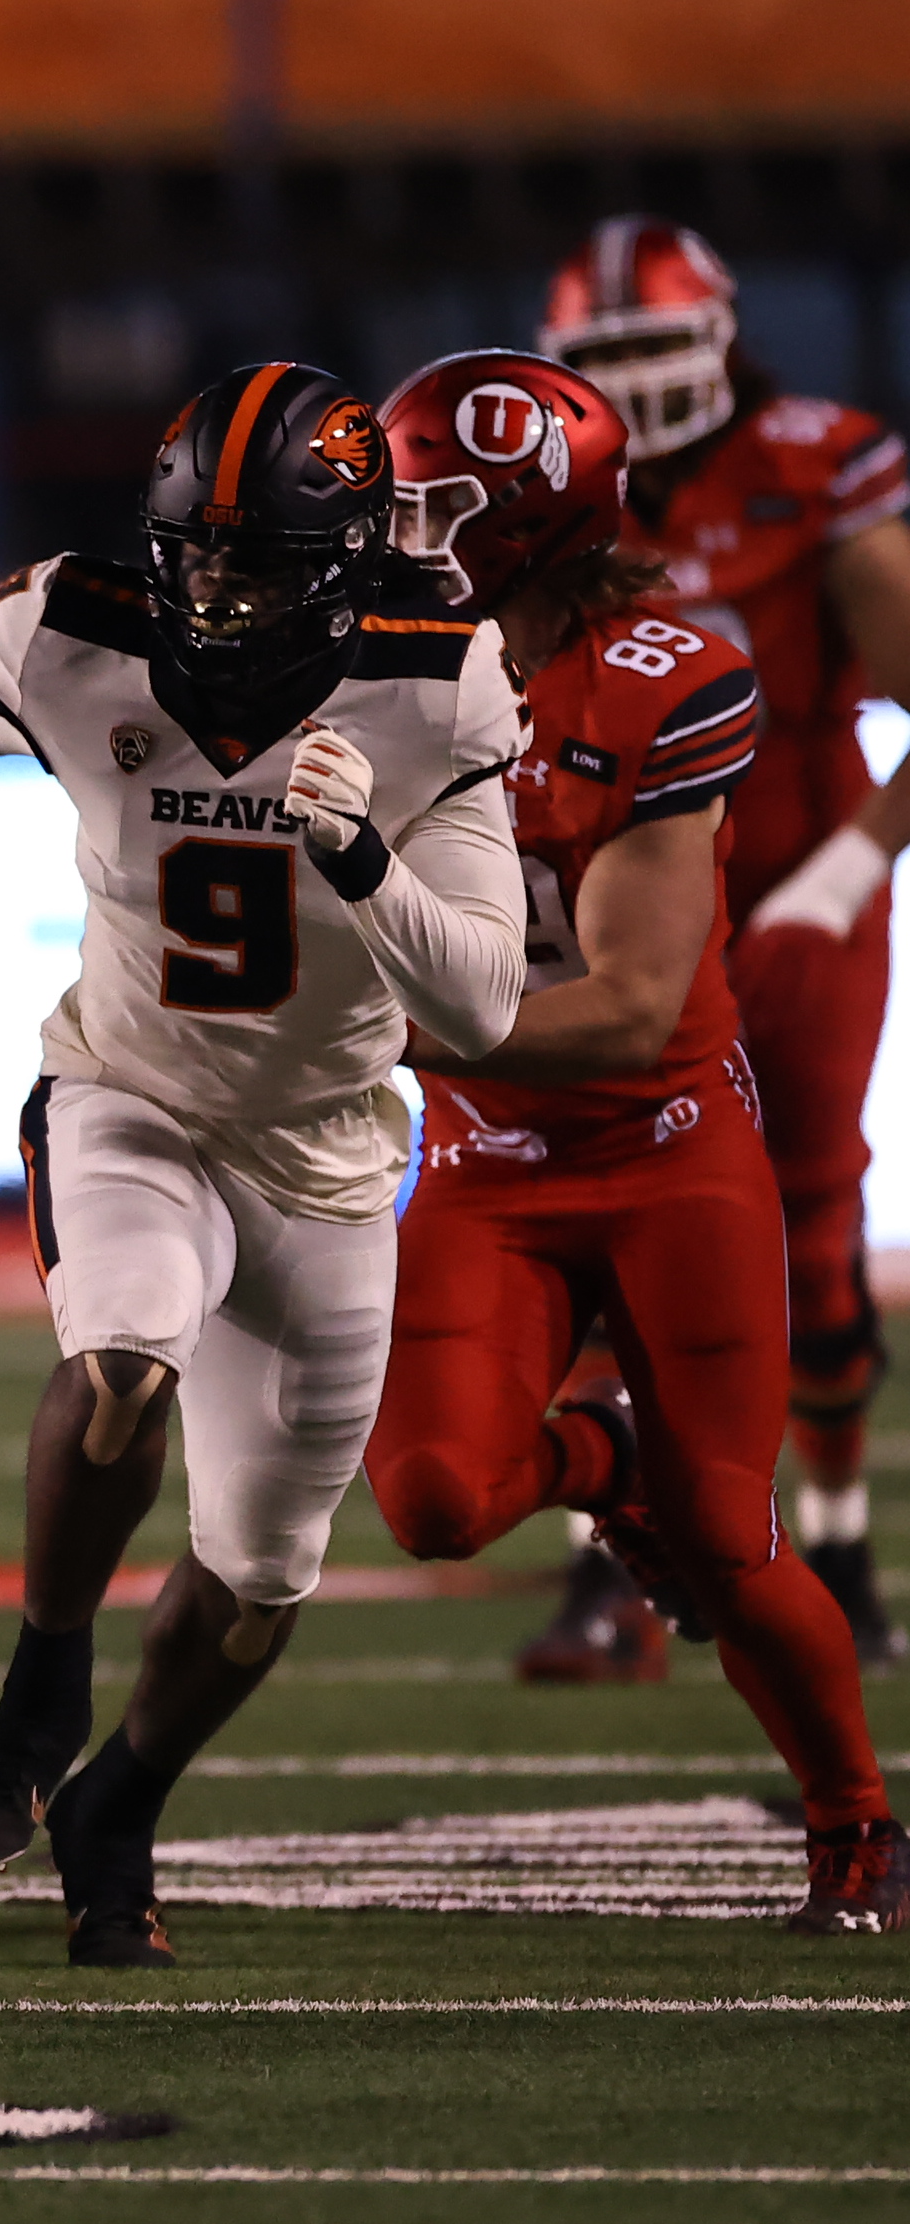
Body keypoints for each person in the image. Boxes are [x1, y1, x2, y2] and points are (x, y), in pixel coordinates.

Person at [0, 365, 527, 1966]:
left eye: (260, 562)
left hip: (325, 1156)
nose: (220, 592)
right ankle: (43, 1681)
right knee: (121, 1365)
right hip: (129, 1093)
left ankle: (122, 1805)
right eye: (200, 553)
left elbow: (486, 1006)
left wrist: (363, 859)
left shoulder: (434, 690)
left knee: (260, 1585)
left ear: (353, 557)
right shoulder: (71, 634)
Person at [364, 349, 900, 1932]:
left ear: (529, 518)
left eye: (432, 507)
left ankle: (857, 1822)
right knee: (437, 1503)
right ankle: (609, 1465)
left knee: (732, 1536)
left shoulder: (669, 676)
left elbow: (622, 1008)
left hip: (664, 1141)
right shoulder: (374, 662)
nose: (395, 536)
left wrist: (377, 1035)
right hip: (483, 1158)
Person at [528, 217, 910, 1671]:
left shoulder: (818, 463)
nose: (634, 380)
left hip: (790, 890)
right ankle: (600, 1565)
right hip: (610, 897)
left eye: (651, 347)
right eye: (603, 358)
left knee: (813, 1229)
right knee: (584, 1213)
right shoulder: (549, 495)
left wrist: (842, 874)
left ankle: (840, 1540)